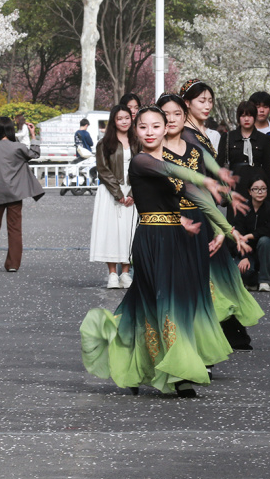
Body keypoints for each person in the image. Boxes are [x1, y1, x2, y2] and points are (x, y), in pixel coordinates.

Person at [80, 105, 238, 398]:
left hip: (177, 239)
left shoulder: (171, 162)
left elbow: (196, 197)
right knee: (163, 302)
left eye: (156, 126)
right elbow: (170, 171)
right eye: (143, 127)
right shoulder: (141, 161)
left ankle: (135, 365)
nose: (150, 132)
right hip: (151, 239)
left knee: (153, 303)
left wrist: (227, 229)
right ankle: (179, 375)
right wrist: (202, 178)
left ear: (166, 129)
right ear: (136, 131)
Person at [163, 90, 261, 350]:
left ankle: (222, 332)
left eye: (210, 100)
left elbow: (209, 178)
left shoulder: (200, 137)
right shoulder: (183, 136)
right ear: (187, 103)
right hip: (178, 217)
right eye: (201, 100)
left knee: (213, 275)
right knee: (199, 279)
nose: (207, 105)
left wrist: (221, 221)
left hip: (201, 212)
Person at [0, 116, 46, 273]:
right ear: (11, 130)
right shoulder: (18, 147)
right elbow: (34, 154)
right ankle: (13, 264)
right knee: (15, 228)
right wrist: (33, 135)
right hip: (15, 193)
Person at [92, 104, 138, 289]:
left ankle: (125, 273)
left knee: (129, 233)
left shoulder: (138, 141)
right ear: (114, 121)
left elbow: (142, 166)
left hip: (133, 192)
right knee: (111, 232)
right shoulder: (104, 143)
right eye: (120, 119)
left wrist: (133, 193)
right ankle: (112, 273)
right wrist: (118, 193)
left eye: (127, 118)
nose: (124, 122)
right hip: (110, 192)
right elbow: (102, 170)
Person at [232, 172, 270, 292]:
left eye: (263, 189)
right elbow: (237, 233)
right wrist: (244, 257)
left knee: (265, 240)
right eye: (256, 189)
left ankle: (264, 280)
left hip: (266, 253)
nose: (260, 192)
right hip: (246, 253)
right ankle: (252, 279)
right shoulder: (242, 208)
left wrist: (251, 235)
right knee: (245, 272)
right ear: (250, 191)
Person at [217, 100, 270, 199]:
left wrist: (269, 195)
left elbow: (268, 169)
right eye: (243, 116)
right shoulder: (228, 137)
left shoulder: (265, 139)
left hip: (257, 187)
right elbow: (219, 164)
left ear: (255, 117)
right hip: (234, 186)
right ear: (238, 118)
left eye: (250, 116)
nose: (246, 119)